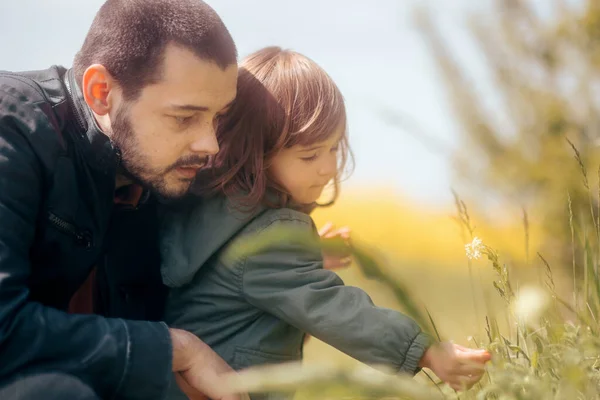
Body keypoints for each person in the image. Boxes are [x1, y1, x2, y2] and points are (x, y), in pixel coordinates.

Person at [161, 47, 492, 400]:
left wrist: (308, 257)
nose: (329, 168)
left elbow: (253, 278)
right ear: (256, 153)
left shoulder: (215, 212)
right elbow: (333, 308)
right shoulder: (271, 236)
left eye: (334, 149)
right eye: (309, 155)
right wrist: (424, 350)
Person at [0, 0, 246, 399]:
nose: (210, 145)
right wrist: (173, 349)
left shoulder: (156, 177)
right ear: (101, 93)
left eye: (218, 117)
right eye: (184, 117)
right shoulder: (12, 126)